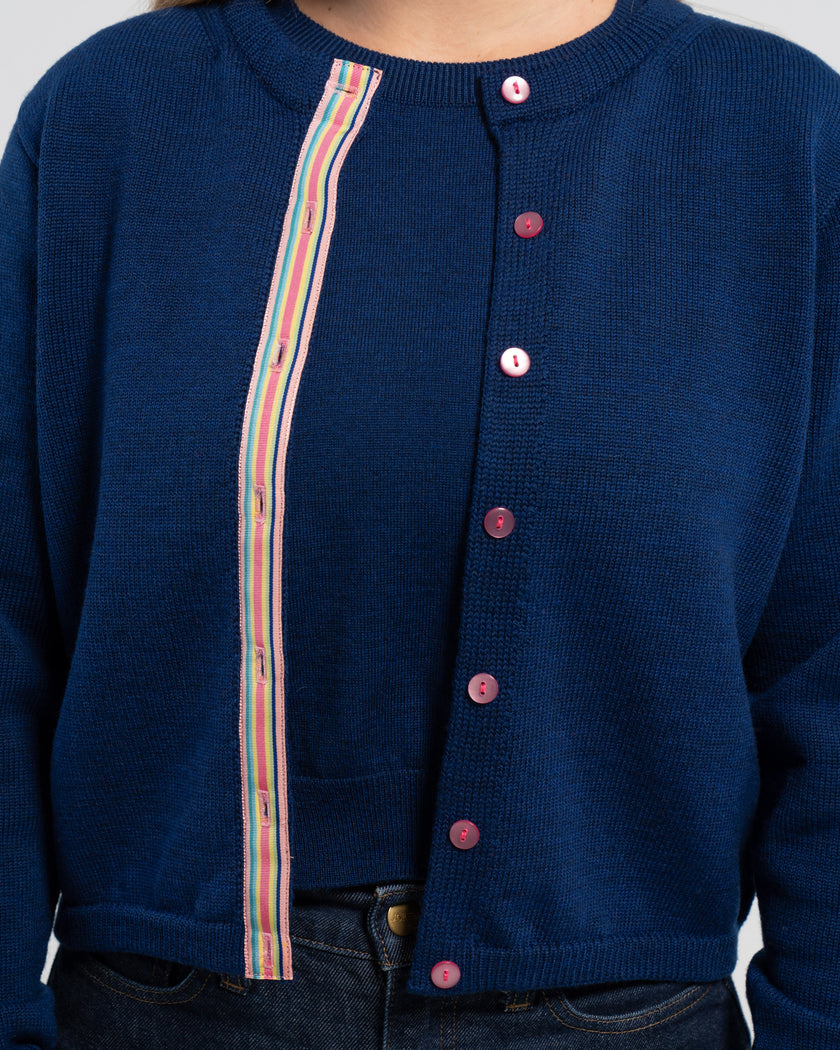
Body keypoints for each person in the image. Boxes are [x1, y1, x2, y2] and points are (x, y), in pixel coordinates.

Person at [1, 0, 839, 1045]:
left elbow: (826, 669)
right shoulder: (114, 113)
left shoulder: (777, 127)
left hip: (617, 1013)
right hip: (172, 1005)